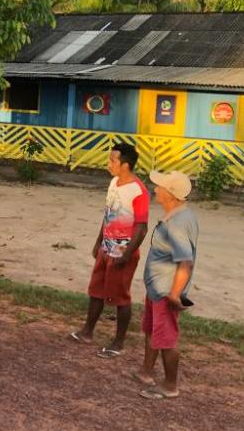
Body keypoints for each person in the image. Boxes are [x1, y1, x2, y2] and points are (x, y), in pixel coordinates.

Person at [70, 142, 149, 357]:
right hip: (106, 248)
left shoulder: (139, 191)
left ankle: (119, 342)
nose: (108, 164)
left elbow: (142, 228)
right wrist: (99, 242)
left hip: (122, 251)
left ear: (125, 165)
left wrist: (126, 255)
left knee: (120, 297)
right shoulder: (114, 183)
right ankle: (87, 331)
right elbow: (108, 215)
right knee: (96, 290)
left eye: (112, 160)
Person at [130, 171, 199, 400]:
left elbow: (185, 262)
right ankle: (146, 371)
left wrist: (174, 295)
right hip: (157, 286)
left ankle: (170, 385)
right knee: (152, 330)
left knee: (167, 338)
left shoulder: (176, 225)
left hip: (165, 290)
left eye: (159, 187)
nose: (155, 189)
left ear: (170, 194)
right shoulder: (181, 215)